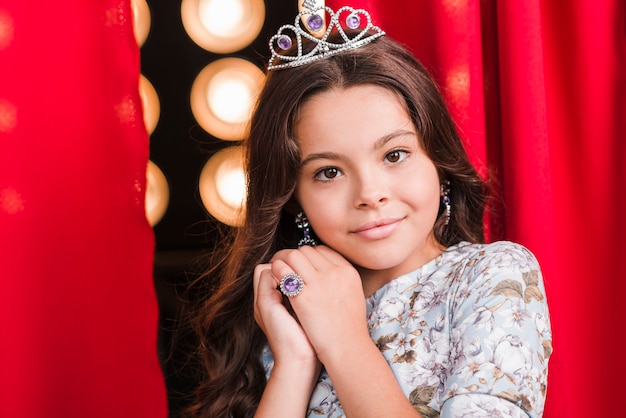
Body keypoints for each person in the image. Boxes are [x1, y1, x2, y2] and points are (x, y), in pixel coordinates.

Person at [183, 5, 552, 418]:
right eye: (329, 172)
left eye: (395, 154)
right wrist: (295, 362)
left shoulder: (491, 277)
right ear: (293, 199)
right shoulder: (289, 311)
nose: (370, 194)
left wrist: (344, 341)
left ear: (439, 161)